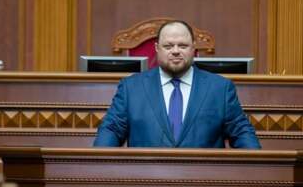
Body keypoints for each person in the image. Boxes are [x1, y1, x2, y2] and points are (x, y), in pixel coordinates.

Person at [93, 20, 261, 148]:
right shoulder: (131, 88)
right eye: (168, 46)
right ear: (157, 48)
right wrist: (99, 165)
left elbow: (241, 132)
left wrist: (257, 169)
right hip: (146, 179)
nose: (175, 51)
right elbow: (111, 130)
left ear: (193, 48)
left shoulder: (219, 88)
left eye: (182, 45)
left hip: (204, 179)